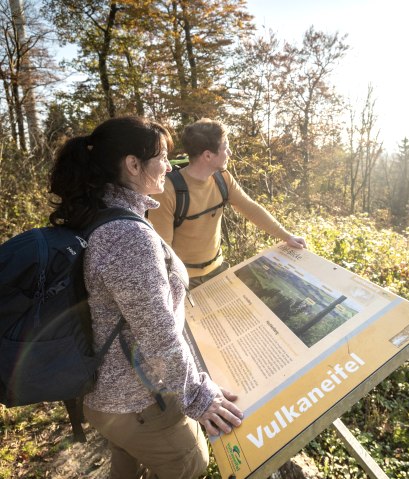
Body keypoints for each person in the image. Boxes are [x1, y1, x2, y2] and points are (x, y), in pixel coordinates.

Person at [49, 116, 243, 479]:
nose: (170, 166)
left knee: (125, 459)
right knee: (191, 465)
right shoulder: (126, 237)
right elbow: (158, 335)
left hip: (106, 396)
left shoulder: (97, 215)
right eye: (162, 157)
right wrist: (199, 397)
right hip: (136, 401)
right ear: (133, 165)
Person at [149, 118, 307, 288]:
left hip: (219, 270)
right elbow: (163, 250)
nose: (230, 153)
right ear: (208, 155)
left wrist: (287, 236)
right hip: (184, 280)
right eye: (225, 148)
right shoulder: (167, 190)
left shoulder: (222, 178)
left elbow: (250, 208)